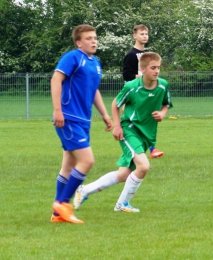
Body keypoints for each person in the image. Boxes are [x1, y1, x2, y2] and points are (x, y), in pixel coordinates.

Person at [74, 52, 172, 212]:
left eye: (158, 68)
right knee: (144, 166)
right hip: (129, 130)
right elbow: (116, 103)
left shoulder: (163, 85)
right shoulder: (132, 87)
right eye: (153, 68)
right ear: (142, 69)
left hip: (147, 136)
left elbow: (166, 104)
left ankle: (85, 190)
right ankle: (122, 204)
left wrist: (162, 114)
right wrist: (117, 126)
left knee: (124, 174)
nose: (156, 71)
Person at [50, 24, 113, 224]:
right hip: (69, 117)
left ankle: (57, 214)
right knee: (87, 161)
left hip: (83, 120)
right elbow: (55, 80)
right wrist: (58, 110)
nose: (94, 41)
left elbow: (93, 90)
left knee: (68, 165)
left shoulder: (95, 63)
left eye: (95, 37)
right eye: (88, 38)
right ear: (79, 42)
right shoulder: (72, 57)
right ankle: (63, 204)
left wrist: (104, 114)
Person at [123, 24, 164, 159]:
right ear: (135, 36)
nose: (145, 36)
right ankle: (142, 152)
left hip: (146, 93)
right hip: (135, 94)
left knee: (149, 119)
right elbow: (127, 75)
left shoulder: (146, 55)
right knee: (138, 123)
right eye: (142, 34)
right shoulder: (131, 55)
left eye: (146, 34)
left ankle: (150, 149)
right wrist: (143, 77)